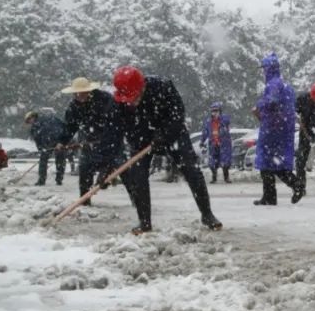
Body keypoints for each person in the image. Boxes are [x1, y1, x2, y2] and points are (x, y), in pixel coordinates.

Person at [113, 65, 222, 234]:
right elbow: (125, 129)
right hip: (143, 138)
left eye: (134, 96)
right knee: (137, 176)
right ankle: (144, 222)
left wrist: (164, 135)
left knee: (192, 171)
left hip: (173, 133)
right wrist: (142, 139)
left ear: (142, 86)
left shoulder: (163, 87)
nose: (131, 101)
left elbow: (177, 115)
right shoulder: (121, 102)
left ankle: (207, 215)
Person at [60, 76, 129, 202]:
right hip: (89, 141)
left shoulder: (105, 100)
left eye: (82, 93)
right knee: (85, 170)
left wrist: (105, 143)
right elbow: (70, 126)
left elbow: (115, 124)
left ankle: (137, 201)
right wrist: (62, 141)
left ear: (89, 91)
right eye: (76, 93)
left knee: (124, 170)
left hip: (112, 140)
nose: (79, 96)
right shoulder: (74, 106)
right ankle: (85, 201)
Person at [253, 53, 304, 206]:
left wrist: (260, 105)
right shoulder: (286, 86)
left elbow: (272, 102)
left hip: (272, 129)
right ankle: (275, 194)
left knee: (267, 162)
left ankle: (291, 188)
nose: (263, 71)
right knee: (275, 163)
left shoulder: (273, 84)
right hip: (282, 129)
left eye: (264, 68)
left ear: (269, 69)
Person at [24, 110, 68, 186]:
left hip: (53, 141)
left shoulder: (37, 125)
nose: (30, 123)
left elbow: (39, 137)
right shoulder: (48, 119)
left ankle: (43, 180)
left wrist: (42, 148)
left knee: (45, 161)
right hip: (58, 141)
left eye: (29, 120)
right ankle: (59, 180)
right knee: (60, 161)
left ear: (33, 117)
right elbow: (64, 127)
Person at [200, 102, 233, 183]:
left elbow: (227, 122)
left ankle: (226, 177)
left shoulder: (224, 120)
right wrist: (202, 141)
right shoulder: (209, 122)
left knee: (225, 162)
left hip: (224, 144)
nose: (214, 112)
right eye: (213, 111)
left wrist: (220, 118)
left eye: (216, 110)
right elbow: (205, 132)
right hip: (213, 144)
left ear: (220, 111)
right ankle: (214, 177)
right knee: (212, 162)